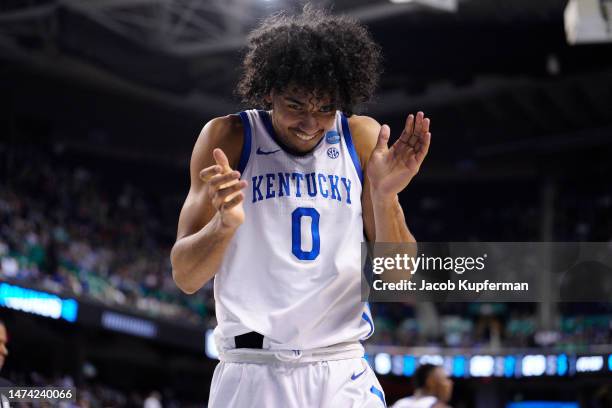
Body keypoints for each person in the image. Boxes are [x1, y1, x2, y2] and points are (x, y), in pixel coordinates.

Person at [171, 6, 431, 408]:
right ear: (269, 90)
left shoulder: (359, 138)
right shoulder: (229, 138)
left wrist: (385, 196)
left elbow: (399, 279)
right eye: (296, 105)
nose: (311, 123)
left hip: (340, 368)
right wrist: (224, 226)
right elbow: (186, 276)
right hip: (253, 371)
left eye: (326, 108)